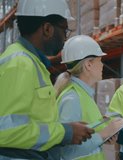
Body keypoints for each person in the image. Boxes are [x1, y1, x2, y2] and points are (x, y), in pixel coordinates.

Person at [0, 0, 94, 159]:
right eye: (64, 30)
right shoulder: (20, 64)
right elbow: (5, 131)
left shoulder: (32, 63)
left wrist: (65, 129)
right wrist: (65, 132)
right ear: (47, 29)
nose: (65, 39)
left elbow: (34, 120)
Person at [54, 35, 123, 160]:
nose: (102, 65)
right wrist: (104, 134)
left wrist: (103, 135)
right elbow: (66, 151)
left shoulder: (82, 94)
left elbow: (82, 137)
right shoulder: (72, 99)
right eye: (100, 60)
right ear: (88, 65)